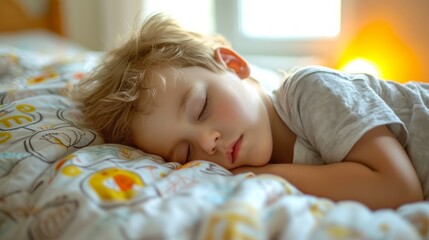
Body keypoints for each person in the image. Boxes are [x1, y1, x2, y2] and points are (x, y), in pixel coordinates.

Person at [73, 13, 429, 210]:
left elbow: (398, 188)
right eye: (184, 152)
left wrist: (263, 174)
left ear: (233, 64)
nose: (207, 141)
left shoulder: (309, 90)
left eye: (201, 107)